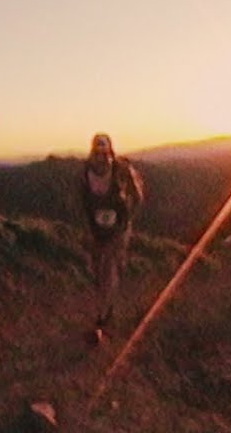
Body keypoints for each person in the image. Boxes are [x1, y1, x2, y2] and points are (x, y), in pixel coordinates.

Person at [79, 132, 144, 346]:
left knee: (108, 266)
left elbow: (137, 196)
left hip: (117, 229)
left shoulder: (121, 170)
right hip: (96, 230)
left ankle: (102, 317)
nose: (101, 158)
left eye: (104, 153)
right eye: (97, 153)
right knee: (98, 270)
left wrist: (127, 220)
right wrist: (87, 228)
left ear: (110, 153)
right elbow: (81, 201)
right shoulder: (85, 174)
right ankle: (109, 307)